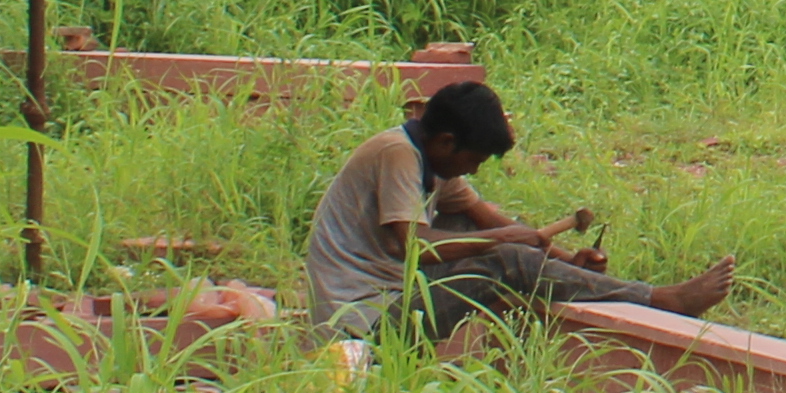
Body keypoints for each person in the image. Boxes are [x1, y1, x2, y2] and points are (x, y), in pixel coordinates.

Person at [307, 77, 734, 356]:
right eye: (473, 159)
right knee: (503, 255)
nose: (474, 170)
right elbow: (415, 245)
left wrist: (564, 260)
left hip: (388, 304)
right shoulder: (396, 154)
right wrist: (506, 242)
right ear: (446, 142)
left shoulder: (431, 160)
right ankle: (661, 298)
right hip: (361, 327)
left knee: (470, 228)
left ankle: (609, 289)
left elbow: (484, 217)